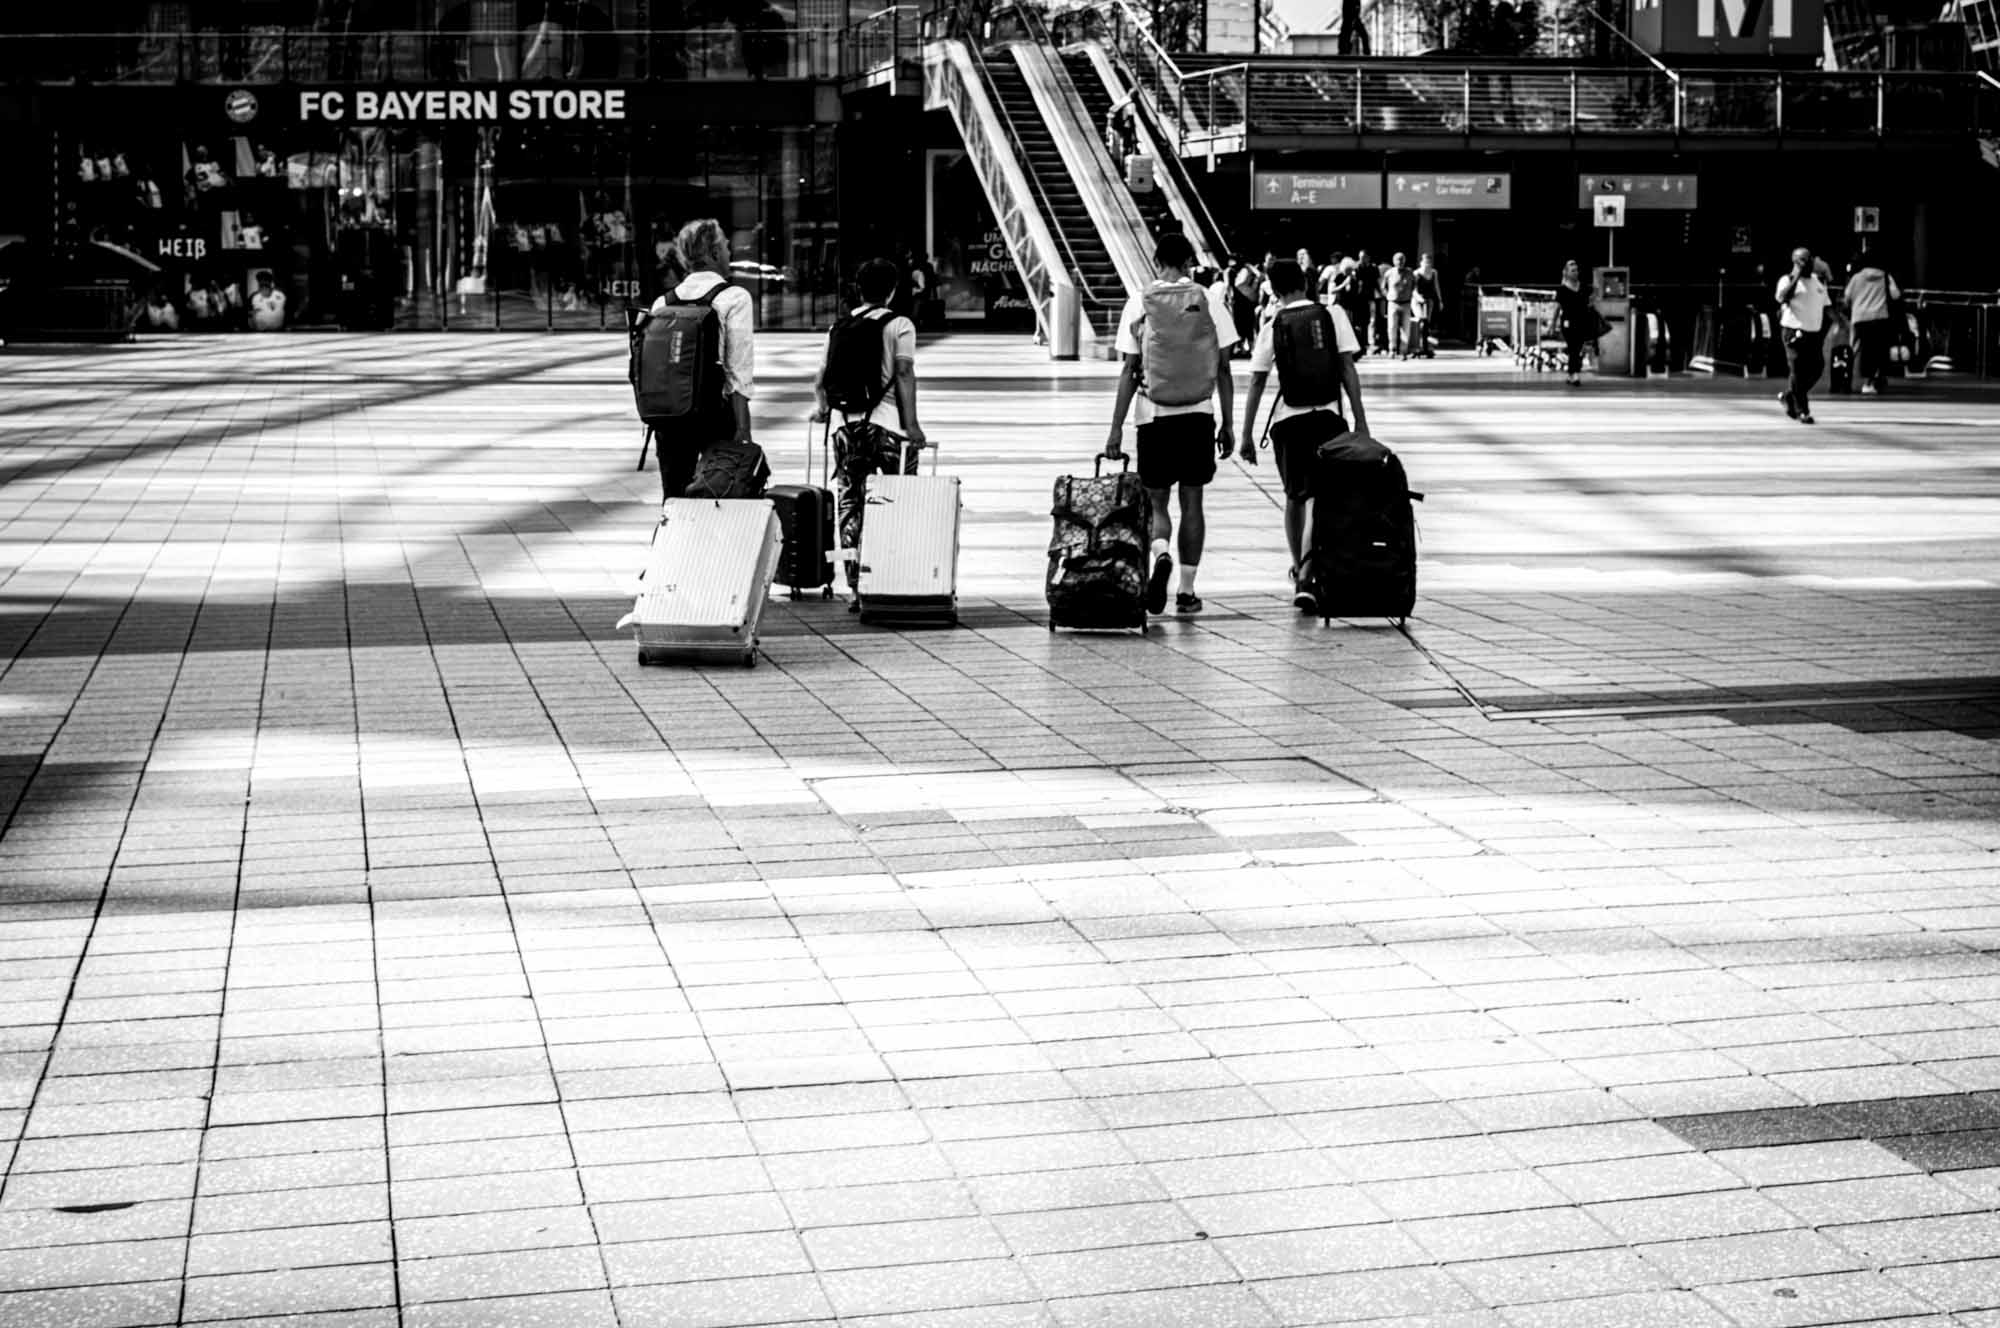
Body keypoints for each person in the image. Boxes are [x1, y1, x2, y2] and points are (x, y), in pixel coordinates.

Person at [1107, 230, 1237, 617]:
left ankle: (1160, 552)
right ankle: (1187, 590)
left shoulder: (1140, 301)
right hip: (1198, 414)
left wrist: (1115, 429)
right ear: (1188, 263)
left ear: (1156, 260)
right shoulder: (1209, 298)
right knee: (1193, 500)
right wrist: (1228, 423)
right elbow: (1226, 368)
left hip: (1153, 415)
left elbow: (1130, 370)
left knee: (1157, 502)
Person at [1237, 258, 1369, 615]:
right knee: (1322, 498)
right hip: (1327, 418)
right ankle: (1309, 574)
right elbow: (1346, 367)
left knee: (1295, 496)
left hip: (1288, 422)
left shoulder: (1272, 324)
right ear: (1305, 283)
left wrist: (1246, 434)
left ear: (1273, 290)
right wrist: (1360, 419)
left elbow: (1257, 380)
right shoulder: (1333, 315)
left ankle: (1300, 570)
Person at [811, 258, 928, 609]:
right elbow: (904, 373)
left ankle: (857, 587)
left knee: (851, 505)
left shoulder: (839, 327)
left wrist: (821, 410)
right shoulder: (900, 324)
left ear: (859, 289)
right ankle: (896, 578)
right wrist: (913, 426)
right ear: (892, 290)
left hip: (846, 427)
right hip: (889, 427)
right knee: (900, 502)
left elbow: (820, 380)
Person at [647, 218, 757, 500]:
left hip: (670, 418)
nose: (730, 252)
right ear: (714, 252)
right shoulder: (734, 297)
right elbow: (738, 370)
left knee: (673, 500)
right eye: (726, 246)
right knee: (719, 501)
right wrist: (742, 429)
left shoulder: (663, 303)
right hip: (715, 416)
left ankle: (671, 543)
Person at [1775, 245, 1831, 424]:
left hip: (1813, 332)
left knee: (1817, 368)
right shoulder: (1787, 279)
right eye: (1804, 260)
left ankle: (1790, 396)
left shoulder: (1818, 281)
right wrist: (1797, 274)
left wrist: (1840, 320)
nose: (1809, 264)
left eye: (1810, 259)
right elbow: (1783, 297)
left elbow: (1826, 305)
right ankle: (1802, 411)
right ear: (1796, 262)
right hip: (1793, 331)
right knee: (1797, 370)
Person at [1843, 250, 1901, 395]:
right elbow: (1896, 295)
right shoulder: (1885, 276)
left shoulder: (1856, 278)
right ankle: (1872, 381)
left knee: (1855, 349)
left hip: (1859, 318)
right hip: (1880, 318)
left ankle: (1845, 378)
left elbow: (1847, 298)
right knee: (1877, 351)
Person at [1555, 259, 1594, 385]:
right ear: (1566, 273)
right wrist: (1552, 324)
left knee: (1577, 349)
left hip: (1581, 321)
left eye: (1576, 270)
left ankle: (1570, 375)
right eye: (1572, 270)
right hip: (1568, 322)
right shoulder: (1562, 289)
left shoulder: (1583, 287)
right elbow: (1558, 308)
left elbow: (1590, 300)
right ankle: (1575, 374)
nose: (1575, 272)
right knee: (1573, 348)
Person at [1337, 248, 1375, 359]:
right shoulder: (1340, 277)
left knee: (1359, 326)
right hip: (1345, 305)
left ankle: (1360, 348)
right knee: (1348, 327)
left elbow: (1357, 291)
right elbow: (1336, 291)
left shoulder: (1355, 278)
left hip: (1355, 304)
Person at [1384, 252, 1416, 358]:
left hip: (1406, 303)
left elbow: (1414, 286)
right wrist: (1387, 295)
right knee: (1392, 327)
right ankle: (1392, 349)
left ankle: (1404, 351)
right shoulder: (1389, 273)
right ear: (1394, 261)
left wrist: (1410, 295)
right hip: (1393, 303)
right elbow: (1383, 287)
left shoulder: (1410, 272)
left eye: (1402, 259)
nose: (1400, 262)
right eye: (1398, 259)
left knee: (1406, 328)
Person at [1410, 253, 1440, 358]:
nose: (1427, 264)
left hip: (1429, 300)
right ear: (1421, 262)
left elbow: (1436, 287)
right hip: (1417, 300)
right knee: (1420, 321)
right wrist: (1419, 298)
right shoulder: (1416, 273)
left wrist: (1440, 300)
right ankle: (1417, 346)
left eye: (1429, 262)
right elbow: (1412, 289)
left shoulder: (1434, 272)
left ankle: (1426, 347)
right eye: (1425, 262)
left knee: (1427, 323)